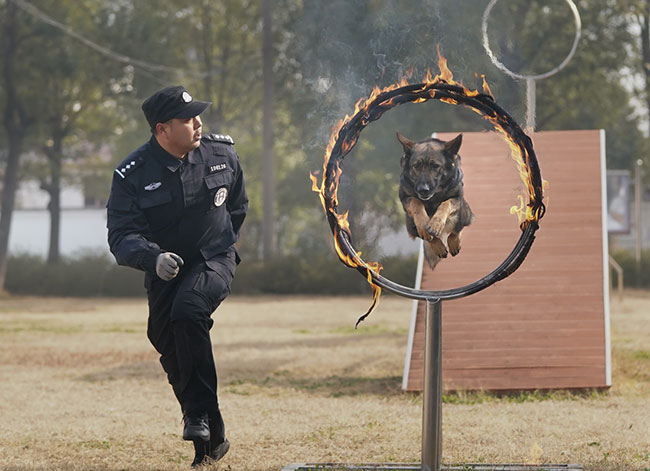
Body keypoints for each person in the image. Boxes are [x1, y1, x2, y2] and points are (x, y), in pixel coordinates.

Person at [106, 85, 247, 468]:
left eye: (198, 115)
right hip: (164, 268)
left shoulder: (222, 153)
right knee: (165, 336)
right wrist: (153, 258)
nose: (198, 123)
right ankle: (212, 433)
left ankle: (197, 417)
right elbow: (121, 234)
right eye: (187, 119)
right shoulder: (132, 173)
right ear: (162, 129)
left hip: (214, 258)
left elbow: (237, 207)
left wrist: (224, 247)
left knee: (188, 310)